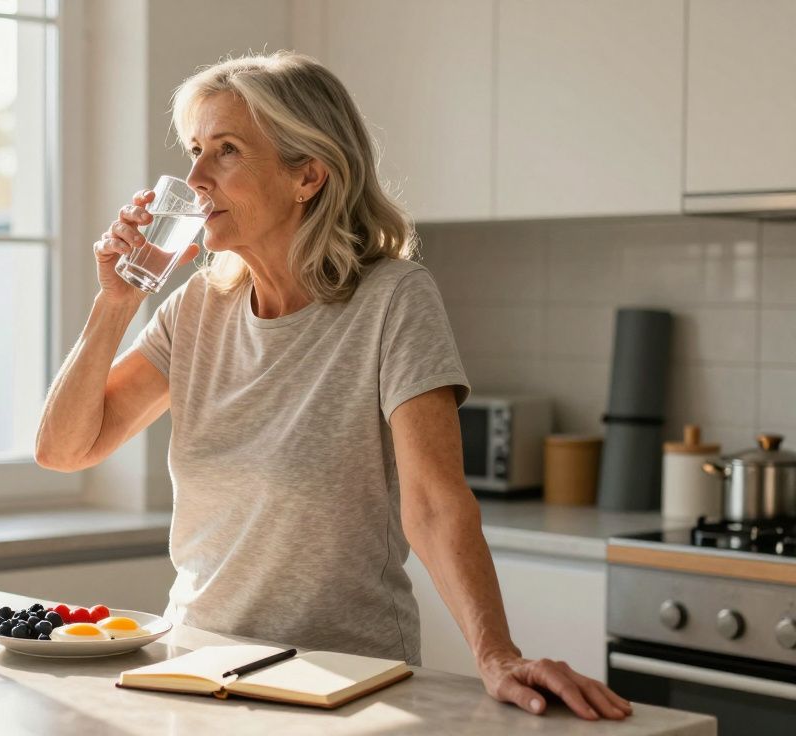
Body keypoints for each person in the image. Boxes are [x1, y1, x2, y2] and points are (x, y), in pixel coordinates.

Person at [35, 51, 631, 721]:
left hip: (344, 686)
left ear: (307, 176)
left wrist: (496, 652)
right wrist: (115, 301)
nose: (195, 178)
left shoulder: (393, 301)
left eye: (225, 152)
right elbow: (65, 449)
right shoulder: (197, 308)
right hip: (198, 674)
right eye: (195, 150)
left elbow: (434, 503)